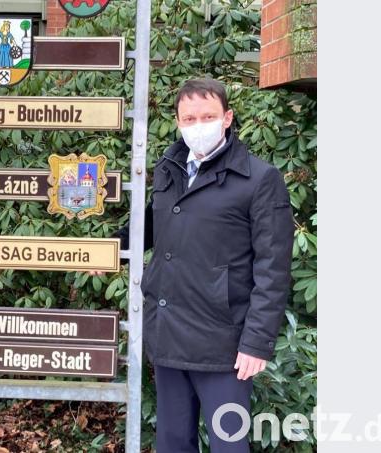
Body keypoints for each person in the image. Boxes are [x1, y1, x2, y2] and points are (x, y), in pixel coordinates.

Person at [110, 78, 294, 452]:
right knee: (173, 442)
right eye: (189, 118)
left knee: (228, 444)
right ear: (178, 121)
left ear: (226, 118)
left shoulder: (260, 180)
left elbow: (273, 270)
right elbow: (151, 223)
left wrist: (257, 343)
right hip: (169, 335)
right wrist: (112, 250)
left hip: (224, 346)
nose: (198, 125)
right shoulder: (169, 168)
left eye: (207, 116)